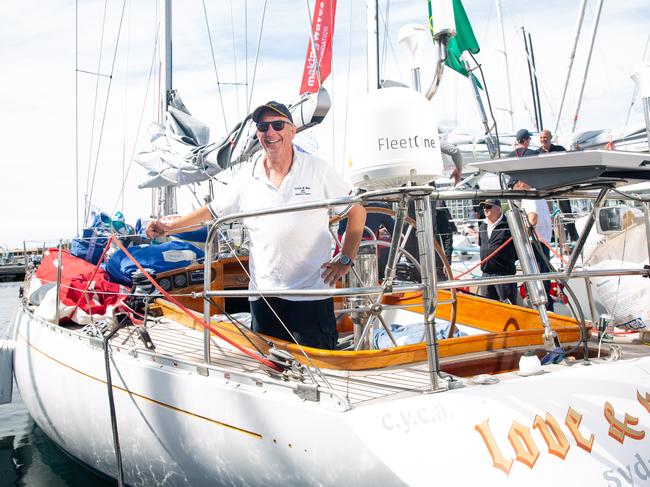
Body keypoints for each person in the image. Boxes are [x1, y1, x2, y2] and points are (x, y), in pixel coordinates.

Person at [147, 101, 366, 349]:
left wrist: (346, 258)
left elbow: (357, 211)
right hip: (263, 298)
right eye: (263, 127)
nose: (270, 132)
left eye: (277, 125)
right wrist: (169, 228)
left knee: (318, 366)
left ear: (292, 130)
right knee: (270, 370)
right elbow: (212, 212)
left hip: (311, 295)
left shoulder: (318, 170)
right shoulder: (247, 176)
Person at [510, 179, 554, 311]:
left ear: (520, 183)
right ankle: (549, 313)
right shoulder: (540, 196)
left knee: (536, 287)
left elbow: (532, 219)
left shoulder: (529, 197)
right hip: (543, 245)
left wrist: (521, 232)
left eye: (513, 187)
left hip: (535, 245)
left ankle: (541, 316)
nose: (512, 191)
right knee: (543, 285)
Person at [538, 129, 579, 242]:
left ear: (550, 138)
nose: (543, 140)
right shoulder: (537, 153)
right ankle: (552, 239)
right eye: (541, 138)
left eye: (545, 137)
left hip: (560, 185)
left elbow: (569, 162)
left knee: (566, 212)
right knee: (546, 213)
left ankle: (574, 237)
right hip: (546, 188)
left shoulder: (559, 150)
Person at [338, 201, 394, 280]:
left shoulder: (344, 206)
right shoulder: (380, 208)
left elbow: (342, 234)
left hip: (341, 267)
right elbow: (396, 232)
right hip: (375, 269)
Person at [477, 200, 517, 304]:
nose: (485, 209)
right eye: (484, 207)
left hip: (504, 274)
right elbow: (482, 244)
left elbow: (517, 248)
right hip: (486, 274)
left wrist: (506, 261)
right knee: (487, 308)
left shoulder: (509, 224)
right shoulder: (482, 226)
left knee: (509, 308)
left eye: (489, 206)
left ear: (498, 209)